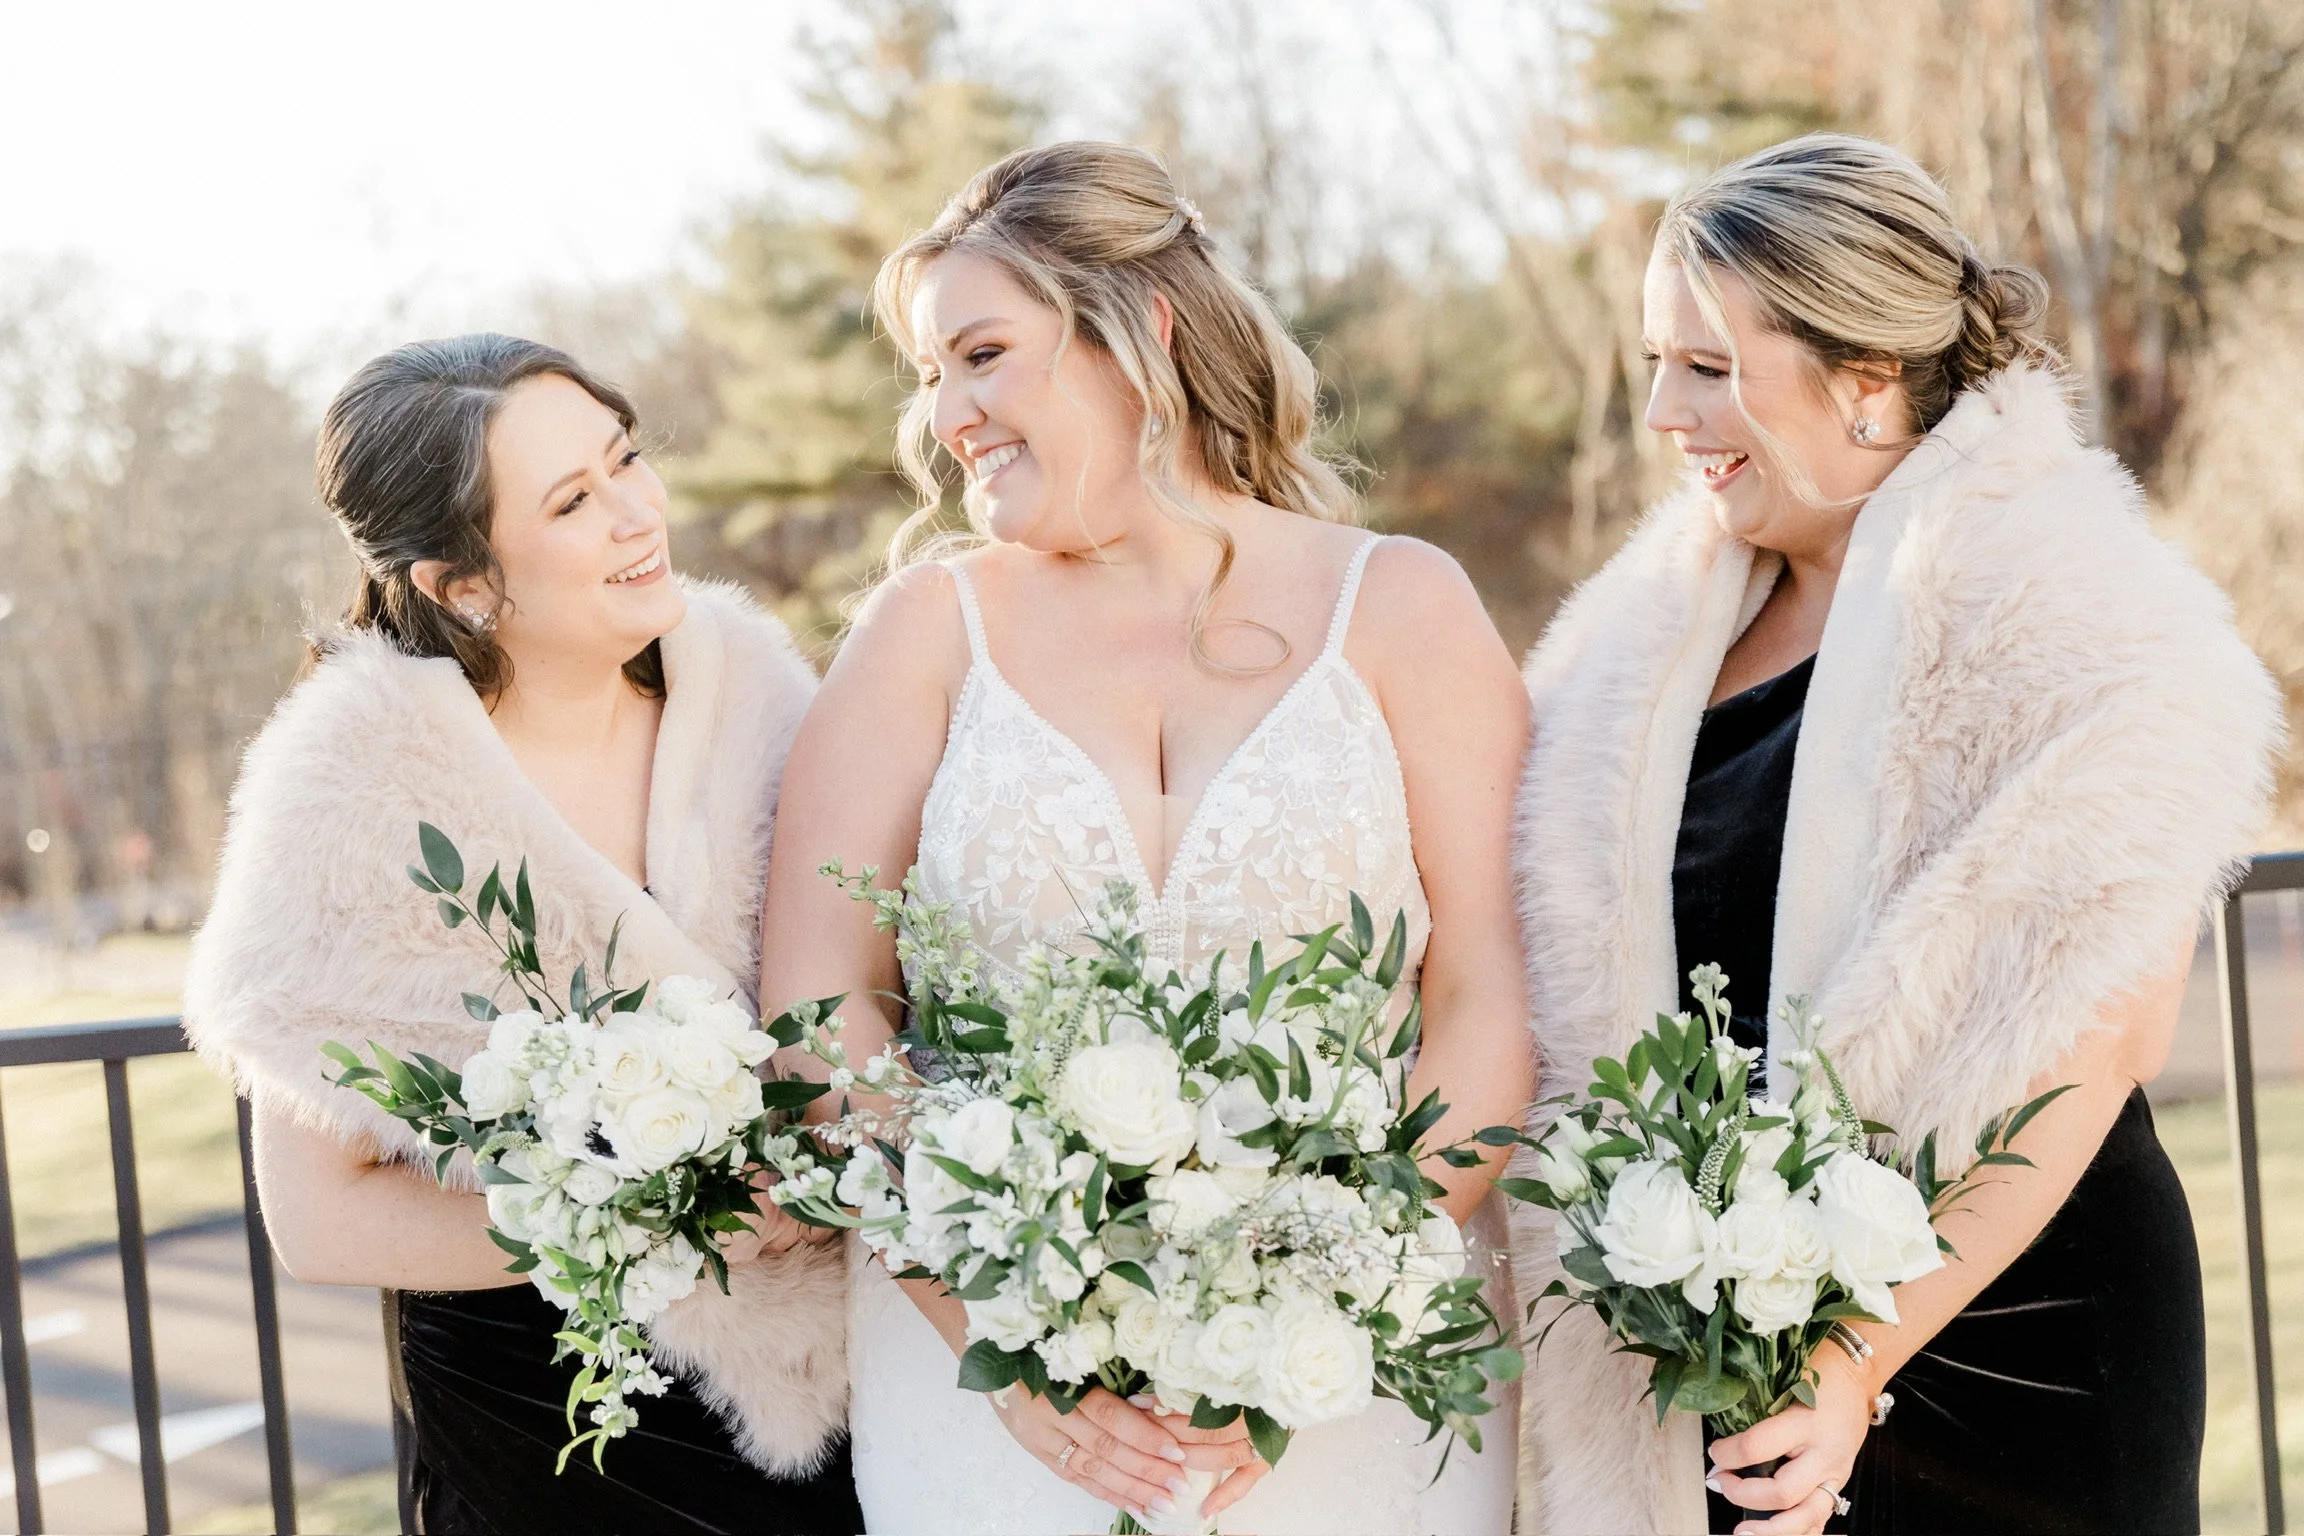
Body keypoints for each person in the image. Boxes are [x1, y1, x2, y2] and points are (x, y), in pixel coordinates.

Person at [1509, 133, 2282, 1536]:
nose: (1665, 415)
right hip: (1708, 1345)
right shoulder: (1639, 644)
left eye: (1707, 365)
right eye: (1653, 366)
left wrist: (1856, 1355)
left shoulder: (2081, 617)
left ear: (1864, 376)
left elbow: (2102, 1038)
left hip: (2015, 1329)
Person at [756, 142, 1534, 1534]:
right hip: (994, 1404)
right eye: (932, 377)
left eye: (982, 354)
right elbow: (821, 1007)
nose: (949, 416)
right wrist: (992, 1327)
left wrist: (1321, 1314)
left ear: (1140, 333)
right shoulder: (926, 634)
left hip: (1358, 1393)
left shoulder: (1405, 607)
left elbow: (1487, 992)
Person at [184, 335, 862, 1534]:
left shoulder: (754, 687)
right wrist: (645, 1222)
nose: (635, 513)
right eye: (572, 501)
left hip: (852, 1388)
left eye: (625, 461)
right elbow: (320, 1219)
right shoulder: (351, 793)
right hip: (547, 1423)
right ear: (464, 583)